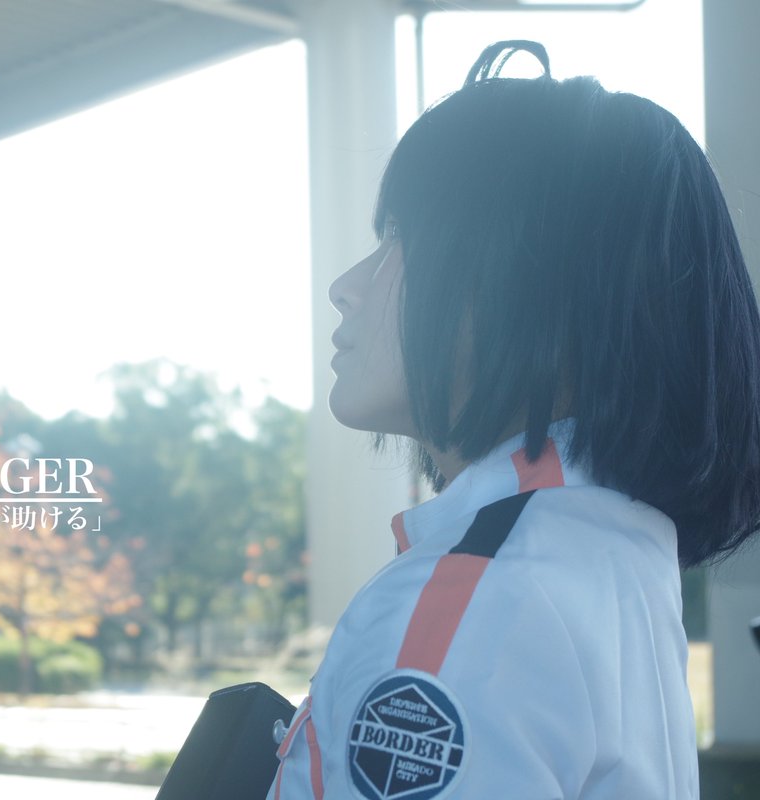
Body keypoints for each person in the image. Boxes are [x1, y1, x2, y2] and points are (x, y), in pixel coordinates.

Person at [268, 39, 760, 800]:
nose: (346, 285)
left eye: (400, 235)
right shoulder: (613, 550)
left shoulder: (473, 594)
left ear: (527, 283)